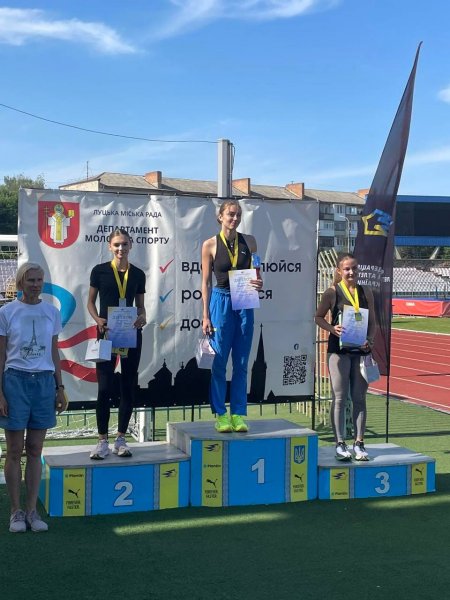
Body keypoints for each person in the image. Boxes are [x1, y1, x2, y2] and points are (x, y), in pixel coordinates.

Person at [0, 262, 67, 533]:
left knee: (36, 449)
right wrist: (0, 392)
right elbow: (1, 355)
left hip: (43, 383)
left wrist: (59, 387)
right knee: (15, 450)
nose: (36, 285)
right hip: (14, 382)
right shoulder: (7, 312)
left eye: (39, 280)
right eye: (30, 280)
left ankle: (31, 511)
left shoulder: (52, 312)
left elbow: (53, 352)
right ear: (20, 283)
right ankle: (15, 512)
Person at [201, 200, 263, 433]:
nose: (234, 219)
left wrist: (259, 282)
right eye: (230, 214)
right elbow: (206, 283)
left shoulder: (250, 241)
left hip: (245, 299)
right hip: (221, 300)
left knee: (242, 362)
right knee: (219, 362)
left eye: (238, 215)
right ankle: (220, 414)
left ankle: (237, 413)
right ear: (220, 216)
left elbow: (257, 271)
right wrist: (206, 315)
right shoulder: (209, 245)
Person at [87, 228, 146, 459]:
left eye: (124, 244)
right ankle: (102, 441)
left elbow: (140, 306)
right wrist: (97, 319)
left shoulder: (138, 274)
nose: (121, 248)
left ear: (131, 245)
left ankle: (121, 439)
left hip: (130, 334)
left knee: (128, 387)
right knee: (104, 388)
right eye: (117, 245)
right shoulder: (99, 271)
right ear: (109, 246)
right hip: (106, 333)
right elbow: (90, 302)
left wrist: (142, 317)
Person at [315, 252, 376, 461]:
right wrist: (332, 329)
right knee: (340, 398)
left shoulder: (366, 291)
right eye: (347, 269)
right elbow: (318, 317)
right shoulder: (332, 292)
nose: (351, 272)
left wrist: (370, 340)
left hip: (360, 352)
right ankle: (340, 443)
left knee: (359, 398)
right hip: (339, 352)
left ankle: (359, 443)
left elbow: (373, 322)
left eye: (354, 268)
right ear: (339, 271)